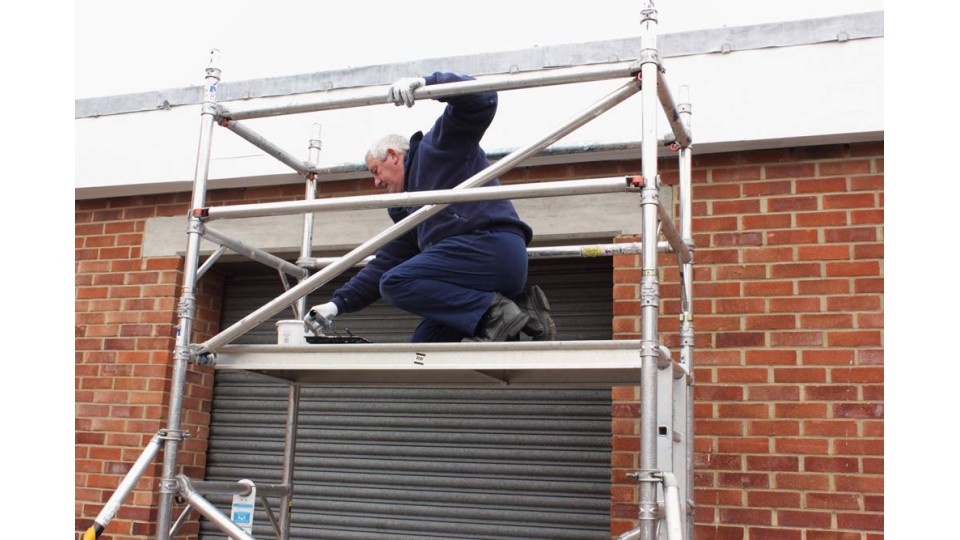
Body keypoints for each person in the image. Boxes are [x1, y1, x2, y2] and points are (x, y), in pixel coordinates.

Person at [305, 71, 556, 343]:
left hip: (490, 249)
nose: (375, 182)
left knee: (396, 283)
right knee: (423, 347)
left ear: (393, 156)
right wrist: (336, 305)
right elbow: (385, 263)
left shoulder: (436, 148)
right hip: (474, 275)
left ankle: (499, 314)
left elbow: (482, 99)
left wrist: (429, 84)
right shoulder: (409, 208)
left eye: (375, 171)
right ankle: (524, 316)